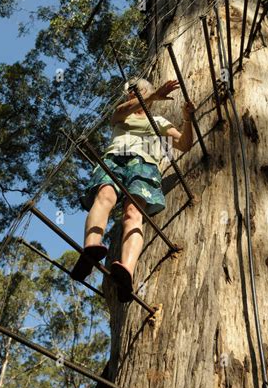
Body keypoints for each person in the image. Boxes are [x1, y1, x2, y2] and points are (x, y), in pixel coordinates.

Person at [70, 78, 195, 301]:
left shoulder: (158, 121)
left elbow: (184, 145)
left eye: (137, 91)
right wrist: (155, 95)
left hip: (145, 165)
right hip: (114, 159)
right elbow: (120, 111)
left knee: (133, 214)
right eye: (130, 92)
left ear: (146, 91)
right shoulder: (122, 114)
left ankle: (126, 269)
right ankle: (91, 249)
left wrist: (188, 120)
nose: (132, 95)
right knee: (104, 196)